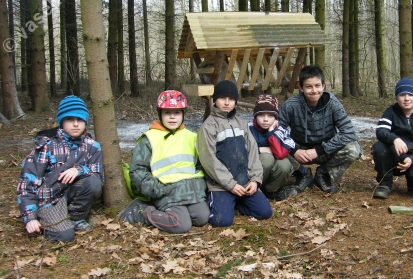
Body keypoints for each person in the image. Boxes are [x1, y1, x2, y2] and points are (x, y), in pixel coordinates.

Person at [118, 90, 210, 233]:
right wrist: (158, 189)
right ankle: (142, 211)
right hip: (165, 191)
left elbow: (200, 165)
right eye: (167, 113)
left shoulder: (192, 136)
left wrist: (200, 185)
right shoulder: (149, 139)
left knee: (202, 217)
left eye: (177, 113)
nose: (172, 117)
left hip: (190, 190)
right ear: (160, 114)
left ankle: (179, 211)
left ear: (183, 114)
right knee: (181, 225)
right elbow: (137, 171)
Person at [17, 95, 103, 242]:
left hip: (72, 194)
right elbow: (26, 183)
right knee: (65, 236)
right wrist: (30, 217)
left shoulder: (92, 146)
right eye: (70, 119)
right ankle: (53, 219)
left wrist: (79, 170)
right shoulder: (46, 145)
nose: (76, 124)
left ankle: (76, 217)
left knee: (93, 182)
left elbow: (98, 176)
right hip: (50, 199)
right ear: (61, 121)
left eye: (80, 119)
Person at [197, 80, 272, 227]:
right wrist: (230, 185)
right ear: (214, 100)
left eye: (231, 99)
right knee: (222, 221)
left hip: (244, 182)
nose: (226, 102)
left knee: (265, 213)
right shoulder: (208, 126)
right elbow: (208, 160)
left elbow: (253, 153)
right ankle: (217, 202)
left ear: (236, 101)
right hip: (220, 185)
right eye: (222, 98)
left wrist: (255, 179)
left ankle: (234, 204)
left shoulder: (242, 124)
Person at [278, 66, 363, 194]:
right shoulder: (290, 105)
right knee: (273, 146)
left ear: (323, 86)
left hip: (325, 150)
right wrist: (294, 150)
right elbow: (277, 132)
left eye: (317, 85)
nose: (314, 90)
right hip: (299, 151)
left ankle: (324, 174)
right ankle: (302, 173)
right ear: (300, 88)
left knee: (353, 149)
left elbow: (349, 132)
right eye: (308, 86)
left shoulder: (333, 103)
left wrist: (319, 150)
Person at [372, 78, 413, 199]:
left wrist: (412, 159)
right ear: (397, 97)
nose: (406, 98)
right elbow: (380, 131)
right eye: (402, 94)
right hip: (393, 156)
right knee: (379, 147)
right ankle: (384, 184)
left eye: (410, 94)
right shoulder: (390, 112)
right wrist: (394, 139)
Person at [249, 94, 306, 201]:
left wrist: (271, 132)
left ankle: (271, 190)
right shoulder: (248, 129)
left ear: (275, 117)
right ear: (255, 116)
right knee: (267, 158)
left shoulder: (281, 131)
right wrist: (260, 150)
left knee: (285, 164)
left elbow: (281, 153)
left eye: (270, 116)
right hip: (252, 171)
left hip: (273, 168)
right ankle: (256, 189)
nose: (265, 120)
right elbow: (241, 150)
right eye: (261, 115)